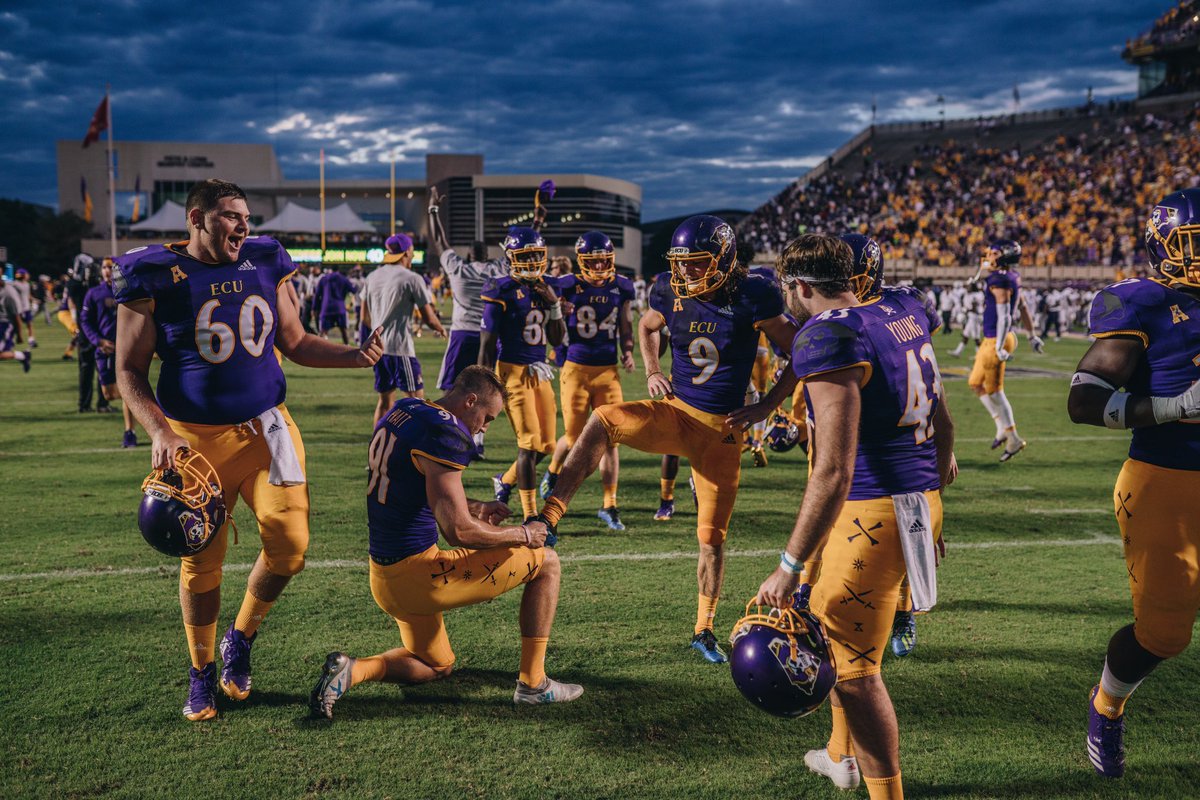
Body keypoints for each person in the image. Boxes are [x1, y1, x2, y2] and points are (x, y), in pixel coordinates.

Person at [114, 178, 383, 722]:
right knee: (200, 563)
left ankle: (241, 637)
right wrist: (161, 432)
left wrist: (357, 357)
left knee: (291, 547)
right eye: (231, 216)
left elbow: (297, 342)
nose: (244, 226)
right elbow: (128, 370)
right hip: (193, 441)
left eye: (246, 216)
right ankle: (201, 669)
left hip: (266, 429)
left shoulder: (265, 258)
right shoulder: (151, 273)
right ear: (197, 218)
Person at [537, 215, 800, 663]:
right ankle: (549, 517)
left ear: (722, 259)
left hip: (723, 430)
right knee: (601, 420)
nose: (686, 273)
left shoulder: (752, 293)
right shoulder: (669, 289)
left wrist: (767, 406)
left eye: (696, 264)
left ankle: (703, 628)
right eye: (682, 264)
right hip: (676, 414)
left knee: (712, 539)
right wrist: (654, 370)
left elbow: (801, 351)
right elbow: (646, 325)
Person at [755, 233, 955, 800]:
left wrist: (790, 563)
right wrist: (932, 514)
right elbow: (944, 422)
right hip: (918, 501)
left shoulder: (826, 337)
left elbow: (833, 470)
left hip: (872, 513)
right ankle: (841, 757)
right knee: (847, 646)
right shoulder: (904, 307)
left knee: (855, 672)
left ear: (799, 286)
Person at [307, 366, 581, 718]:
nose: (483, 428)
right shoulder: (445, 431)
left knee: (435, 664)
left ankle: (351, 671)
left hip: (384, 576)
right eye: (487, 417)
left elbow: (419, 490)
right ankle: (534, 684)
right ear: (470, 401)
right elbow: (459, 532)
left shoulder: (406, 409)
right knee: (546, 561)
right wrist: (525, 534)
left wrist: (476, 506)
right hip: (420, 577)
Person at [1067, 188, 1200, 779]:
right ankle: (1107, 706)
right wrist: (1174, 406)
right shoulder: (1142, 305)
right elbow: (1084, 400)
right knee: (1164, 634)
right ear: (1163, 246)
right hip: (1167, 484)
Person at [539, 231, 636, 530]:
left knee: (611, 441)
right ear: (582, 262)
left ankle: (610, 504)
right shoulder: (567, 285)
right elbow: (541, 293)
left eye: (603, 262)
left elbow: (626, 324)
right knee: (574, 438)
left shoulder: (622, 287)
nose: (598, 268)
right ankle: (553, 471)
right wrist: (557, 306)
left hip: (608, 372)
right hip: (576, 370)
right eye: (592, 263)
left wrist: (628, 351)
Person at [479, 226, 566, 521]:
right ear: (511, 258)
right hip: (512, 372)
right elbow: (487, 344)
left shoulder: (548, 286)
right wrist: (484, 385)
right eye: (524, 256)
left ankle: (504, 481)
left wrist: (554, 305)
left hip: (539, 371)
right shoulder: (500, 289)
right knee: (528, 443)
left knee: (548, 445)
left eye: (535, 255)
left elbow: (556, 339)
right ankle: (531, 515)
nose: (531, 262)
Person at [425, 187, 508, 458]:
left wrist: (433, 210)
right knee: (488, 391)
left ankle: (449, 436)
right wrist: (538, 219)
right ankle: (479, 443)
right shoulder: (498, 270)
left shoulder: (459, 268)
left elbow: (440, 241)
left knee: (452, 389)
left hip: (462, 334)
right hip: (490, 335)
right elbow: (521, 250)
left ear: (470, 255)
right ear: (487, 255)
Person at [968, 240, 1044, 462]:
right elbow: (1022, 307)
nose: (988, 256)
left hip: (996, 340)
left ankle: (1013, 438)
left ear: (1004, 256)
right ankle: (1002, 428)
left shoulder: (1000, 280)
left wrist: (1000, 346)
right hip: (994, 339)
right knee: (975, 384)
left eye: (993, 253)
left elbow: (1005, 315)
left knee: (995, 391)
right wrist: (1031, 335)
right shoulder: (1009, 277)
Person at [360, 233, 446, 424]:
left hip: (377, 350)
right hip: (400, 349)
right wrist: (441, 329)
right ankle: (415, 446)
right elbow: (429, 318)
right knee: (417, 402)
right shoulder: (412, 278)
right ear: (407, 252)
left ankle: (378, 445)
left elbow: (364, 318)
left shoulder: (372, 276)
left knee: (384, 402)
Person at [80, 258, 139, 446]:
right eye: (104, 267)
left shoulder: (128, 288)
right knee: (109, 395)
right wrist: (98, 341)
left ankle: (129, 432)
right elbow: (86, 321)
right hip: (104, 350)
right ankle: (144, 402)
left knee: (127, 391)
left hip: (126, 349)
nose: (107, 270)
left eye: (111, 267)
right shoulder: (94, 293)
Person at [315, 265, 355, 344]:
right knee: (343, 330)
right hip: (339, 307)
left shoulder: (324, 279)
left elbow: (317, 295)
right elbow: (353, 290)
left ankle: (322, 349)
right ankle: (347, 347)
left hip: (326, 307)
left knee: (323, 331)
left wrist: (315, 307)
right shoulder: (343, 279)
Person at [0, 278, 32, 371]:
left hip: (5, 325)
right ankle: (23, 356)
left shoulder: (9, 293)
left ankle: (23, 356)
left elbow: (16, 316)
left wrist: (19, 334)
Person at [12, 268, 35, 347]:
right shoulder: (14, 284)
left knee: (29, 324)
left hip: (26, 307)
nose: (28, 275)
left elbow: (28, 296)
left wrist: (33, 302)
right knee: (16, 325)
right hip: (17, 308)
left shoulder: (27, 284)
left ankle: (31, 340)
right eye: (26, 274)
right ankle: (12, 339)